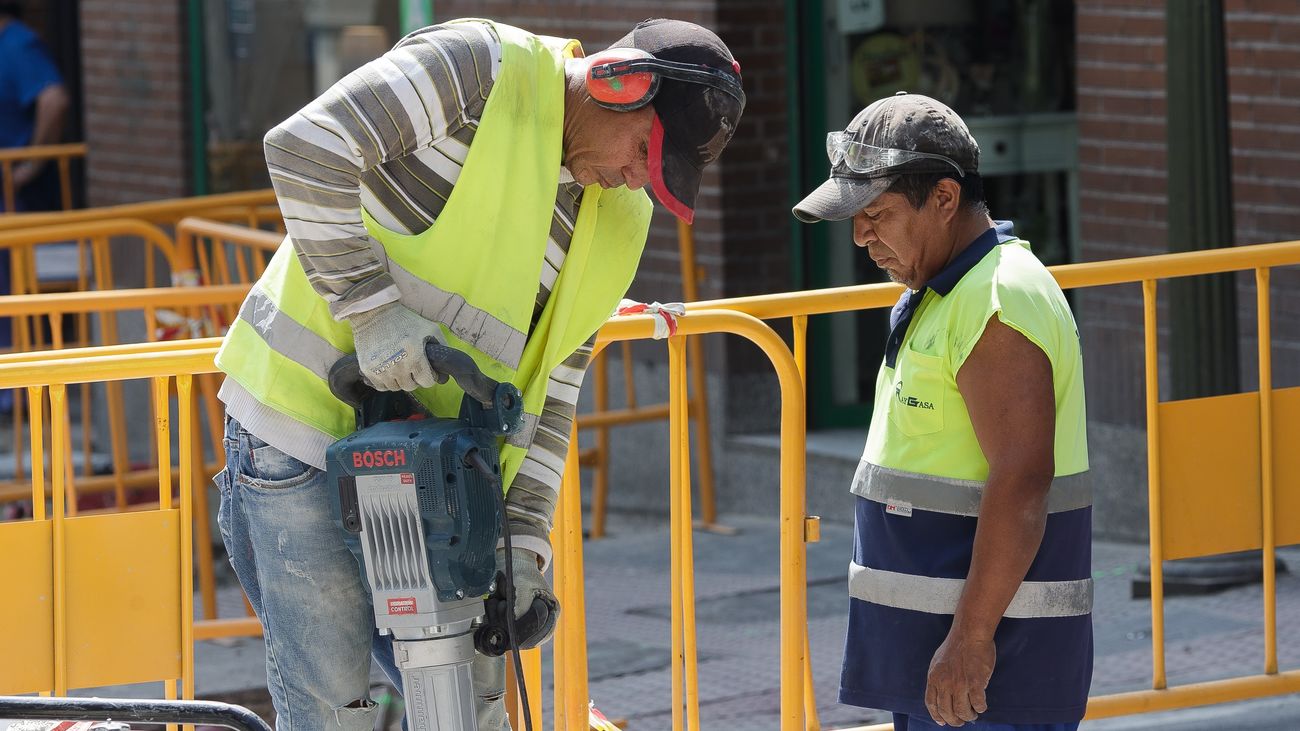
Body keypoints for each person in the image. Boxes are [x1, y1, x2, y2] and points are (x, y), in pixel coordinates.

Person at [213, 16, 744, 731]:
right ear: (618, 85)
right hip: (300, 432)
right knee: (335, 712)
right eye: (644, 151)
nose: (636, 177)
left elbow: (554, 387)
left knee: (467, 714)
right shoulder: (479, 69)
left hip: (436, 474)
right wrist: (370, 311)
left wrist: (524, 542)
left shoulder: (622, 213)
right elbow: (307, 147)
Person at [793, 92, 1091, 730]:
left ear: (946, 199)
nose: (861, 236)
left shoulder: (996, 300)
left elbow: (1021, 481)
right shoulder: (946, 288)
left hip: (991, 674)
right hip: (949, 668)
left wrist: (971, 641)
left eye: (878, 213)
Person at [0, 1, 70, 416]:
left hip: (11, 197)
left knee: (9, 293)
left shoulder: (18, 45)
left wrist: (30, 164)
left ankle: (12, 392)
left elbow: (54, 99)